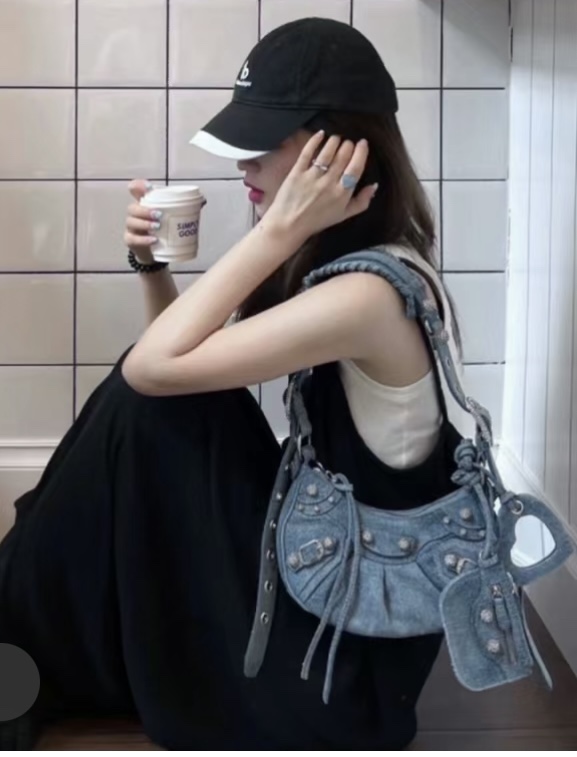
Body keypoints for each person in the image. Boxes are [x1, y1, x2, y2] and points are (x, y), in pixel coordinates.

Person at [0, 17, 467, 750]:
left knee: (138, 399)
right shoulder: (360, 263)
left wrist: (277, 232)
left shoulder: (369, 296)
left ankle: (17, 637)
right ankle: (21, 629)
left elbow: (151, 370)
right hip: (321, 588)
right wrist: (154, 268)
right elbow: (174, 366)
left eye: (263, 142)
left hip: (339, 675)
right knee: (157, 404)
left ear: (338, 151)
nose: (244, 163)